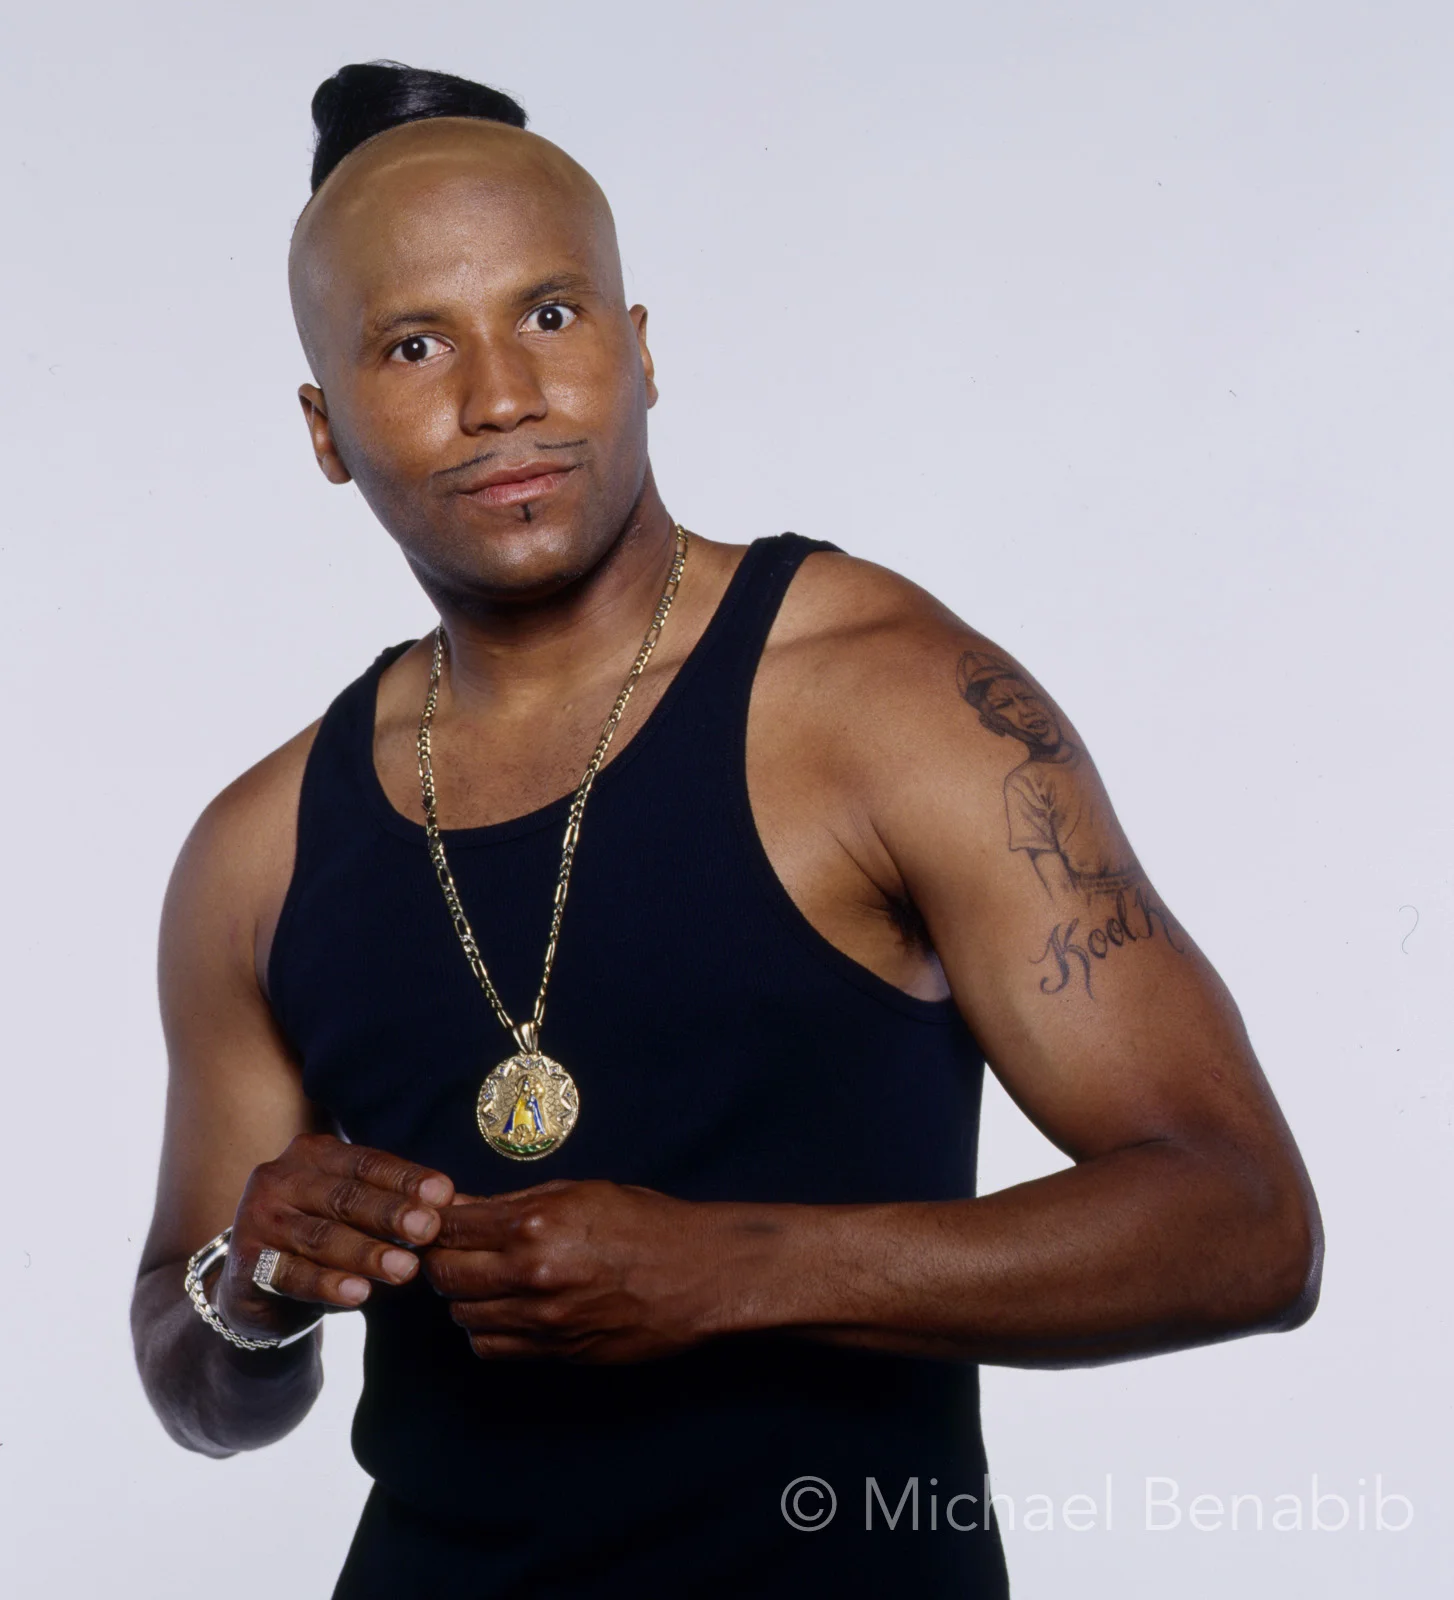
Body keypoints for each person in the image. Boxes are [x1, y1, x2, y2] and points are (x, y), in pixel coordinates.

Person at [130, 60, 1322, 1599]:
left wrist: (736, 1270)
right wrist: (249, 1291)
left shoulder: (887, 699)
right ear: (324, 428)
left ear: (637, 349)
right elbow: (196, 1384)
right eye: (415, 345)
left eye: (549, 315)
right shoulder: (257, 853)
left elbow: (1245, 1224)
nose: (501, 396)